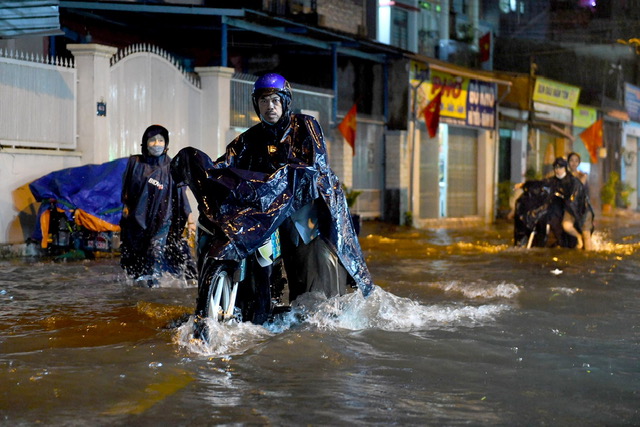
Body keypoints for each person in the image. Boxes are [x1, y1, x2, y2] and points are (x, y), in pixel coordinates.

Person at [170, 73, 373, 322]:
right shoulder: (247, 140)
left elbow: (314, 166)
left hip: (308, 214)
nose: (270, 107)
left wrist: (282, 181)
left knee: (316, 290)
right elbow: (226, 167)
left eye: (275, 100)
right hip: (268, 214)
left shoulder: (305, 126)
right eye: (264, 101)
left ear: (286, 101)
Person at [120, 124, 196, 286]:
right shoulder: (135, 163)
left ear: (166, 143)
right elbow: (126, 191)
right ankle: (139, 287)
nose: (156, 144)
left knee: (155, 251)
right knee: (135, 257)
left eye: (160, 140)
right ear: (145, 143)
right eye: (152, 140)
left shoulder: (172, 166)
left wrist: (190, 220)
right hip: (137, 221)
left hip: (163, 219)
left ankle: (154, 289)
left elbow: (182, 195)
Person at [567, 152, 594, 250]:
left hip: (583, 208)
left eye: (576, 161)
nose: (573, 163)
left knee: (586, 234)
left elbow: (583, 192)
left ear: (579, 163)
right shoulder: (566, 176)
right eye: (571, 160)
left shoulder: (582, 175)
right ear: (568, 162)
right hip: (570, 209)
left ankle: (589, 257)